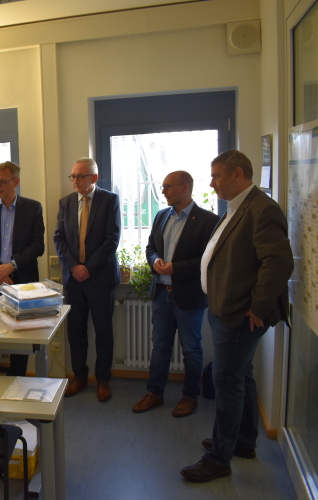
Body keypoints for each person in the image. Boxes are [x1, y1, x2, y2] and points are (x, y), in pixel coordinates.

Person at [181, 150, 293, 482]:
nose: (212, 182)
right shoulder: (238, 207)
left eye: (216, 175)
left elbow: (279, 263)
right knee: (241, 376)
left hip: (241, 314)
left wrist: (257, 307)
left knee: (227, 381)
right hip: (226, 308)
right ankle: (243, 441)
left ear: (238, 174)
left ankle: (219, 458)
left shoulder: (262, 210)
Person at [131, 171, 219, 417]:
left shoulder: (207, 220)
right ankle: (154, 393)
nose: (163, 191)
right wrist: (155, 260)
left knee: (191, 349)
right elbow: (150, 248)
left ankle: (190, 397)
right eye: (163, 186)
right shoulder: (161, 216)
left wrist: (176, 268)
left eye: (168, 186)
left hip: (189, 297)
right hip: (161, 294)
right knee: (159, 347)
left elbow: (207, 260)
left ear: (185, 188)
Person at [54, 157, 121, 402]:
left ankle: (103, 380)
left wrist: (87, 268)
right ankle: (79, 377)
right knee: (76, 332)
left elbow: (111, 240)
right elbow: (59, 239)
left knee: (104, 332)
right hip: (73, 280)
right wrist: (74, 267)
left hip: (100, 279)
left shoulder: (110, 200)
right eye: (72, 176)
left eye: (80, 176)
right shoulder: (66, 203)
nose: (74, 181)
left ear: (93, 178)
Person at [0, 161, 46, 376]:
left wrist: (11, 267)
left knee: (19, 337)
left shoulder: (33, 208)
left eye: (3, 181)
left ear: (16, 182)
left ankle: (17, 384)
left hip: (22, 282)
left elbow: (37, 247)